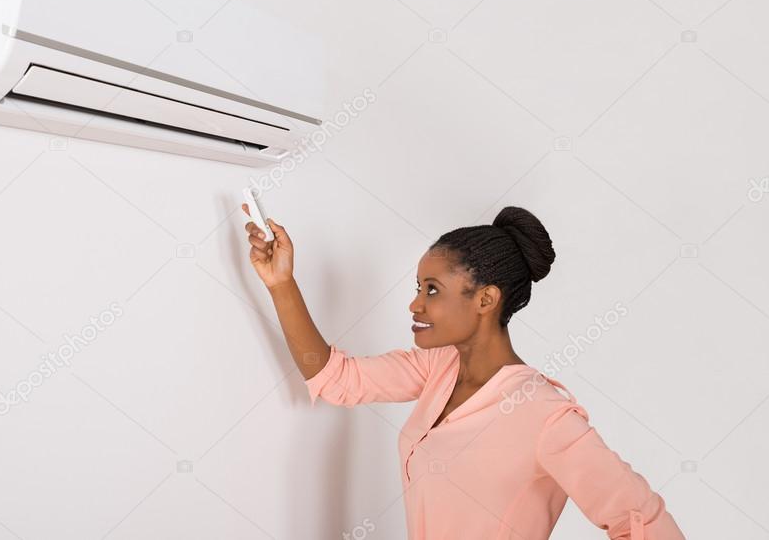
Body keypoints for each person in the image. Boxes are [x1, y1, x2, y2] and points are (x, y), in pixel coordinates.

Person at [241, 203, 685, 539]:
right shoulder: (439, 367)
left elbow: (644, 522)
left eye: (432, 290)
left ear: (486, 300)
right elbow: (337, 380)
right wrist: (282, 283)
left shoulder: (546, 416)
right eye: (418, 287)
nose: (415, 304)